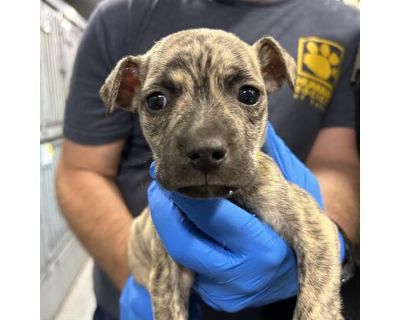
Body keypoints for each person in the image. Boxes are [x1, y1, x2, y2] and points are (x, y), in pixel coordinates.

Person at [56, 0, 360, 319]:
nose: (206, 142)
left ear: (273, 75)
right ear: (128, 91)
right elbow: (80, 170)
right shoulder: (123, 14)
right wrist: (139, 272)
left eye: (246, 95)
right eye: (158, 101)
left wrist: (332, 235)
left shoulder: (344, 24)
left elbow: (339, 161)